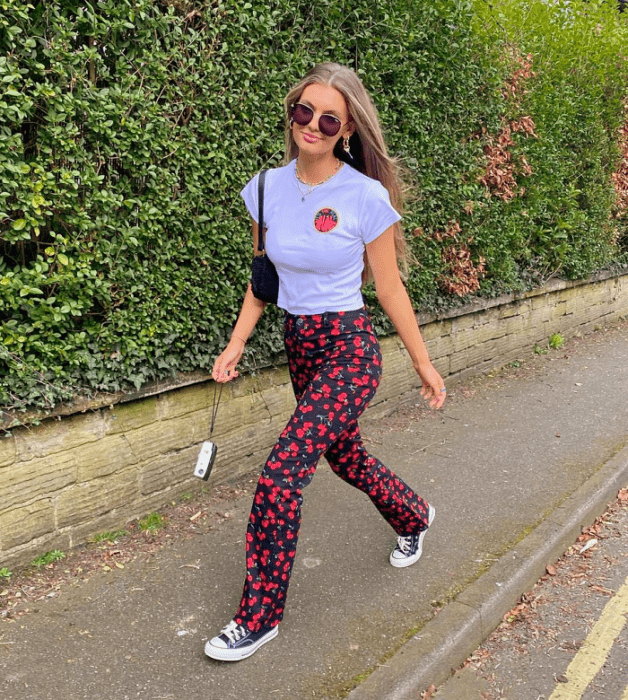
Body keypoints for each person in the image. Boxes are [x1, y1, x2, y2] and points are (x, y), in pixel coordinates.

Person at [205, 62, 446, 662]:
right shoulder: (264, 187)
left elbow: (389, 289)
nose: (312, 124)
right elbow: (262, 279)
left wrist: (422, 363)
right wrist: (236, 343)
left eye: (329, 118)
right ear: (292, 114)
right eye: (303, 111)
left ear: (347, 129)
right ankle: (414, 515)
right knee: (346, 457)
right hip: (299, 345)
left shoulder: (364, 196)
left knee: (282, 473)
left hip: (349, 349)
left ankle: (258, 618)